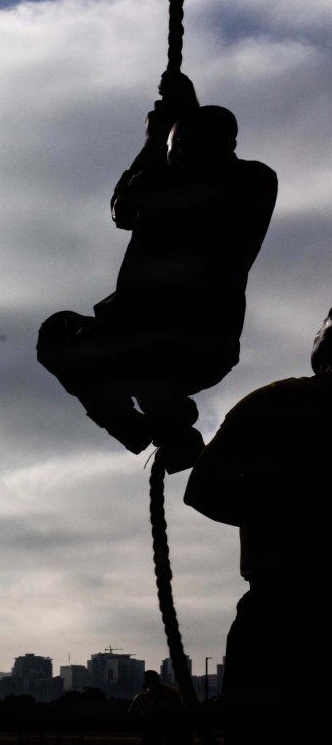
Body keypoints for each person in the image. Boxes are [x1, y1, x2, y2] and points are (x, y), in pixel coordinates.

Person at [39, 70, 277, 473]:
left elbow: (123, 209)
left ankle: (135, 428)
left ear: (180, 148)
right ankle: (172, 427)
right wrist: (185, 114)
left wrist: (153, 140)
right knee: (148, 378)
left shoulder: (163, 184)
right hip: (210, 349)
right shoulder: (256, 181)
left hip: (146, 344)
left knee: (58, 334)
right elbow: (206, 160)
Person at [183, 308, 327, 745]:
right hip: (282, 613)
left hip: (280, 613)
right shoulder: (278, 403)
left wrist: (279, 506)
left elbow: (203, 489)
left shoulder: (277, 402)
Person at [127, 670, 191, 745]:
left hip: (171, 728)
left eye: (146, 679)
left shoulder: (159, 695)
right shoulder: (165, 694)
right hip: (170, 728)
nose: (144, 682)